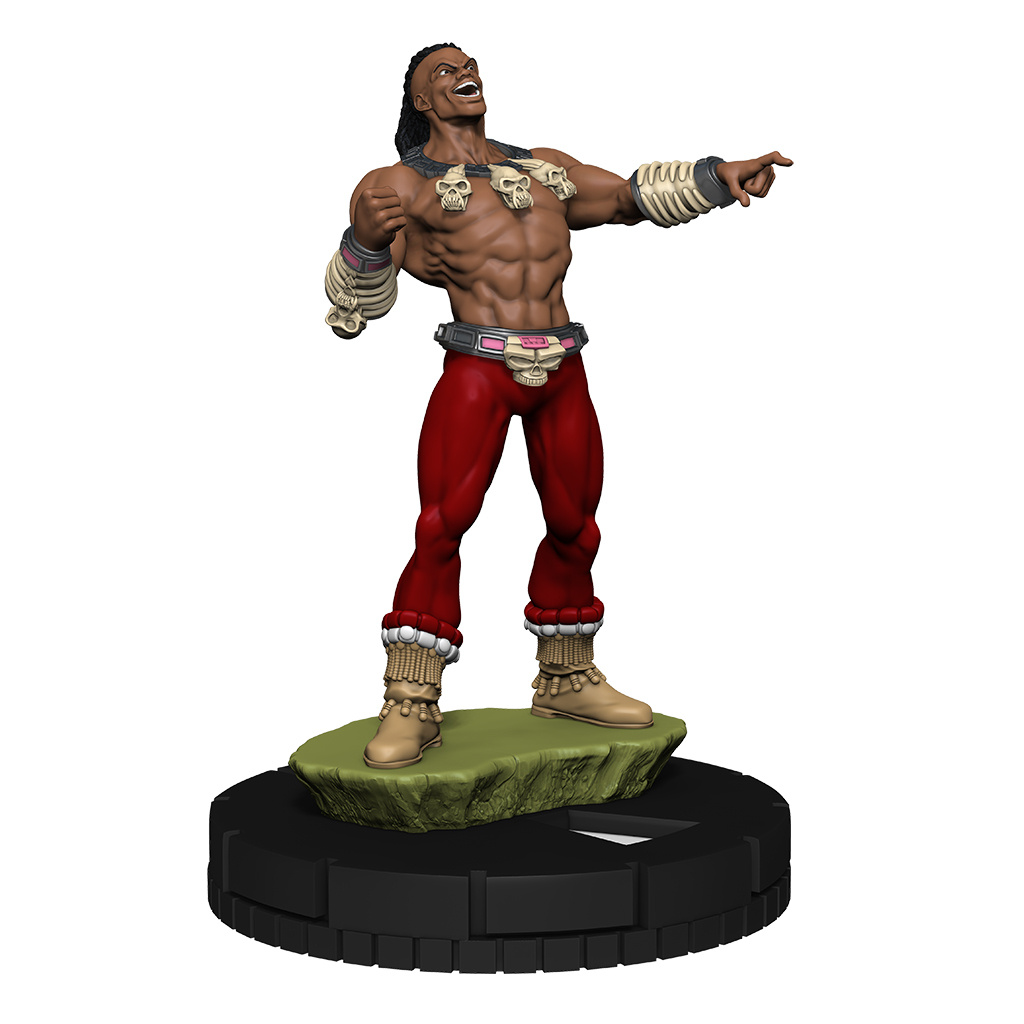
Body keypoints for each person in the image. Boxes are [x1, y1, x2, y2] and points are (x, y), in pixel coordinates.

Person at [324, 43, 792, 769]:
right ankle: (411, 701)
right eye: (443, 71)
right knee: (442, 526)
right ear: (420, 100)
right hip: (478, 367)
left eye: (467, 64)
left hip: (562, 365)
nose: (463, 73)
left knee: (576, 525)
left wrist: (717, 177)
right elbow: (356, 306)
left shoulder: (542, 168)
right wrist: (363, 239)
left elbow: (627, 197)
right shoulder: (399, 184)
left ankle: (567, 679)